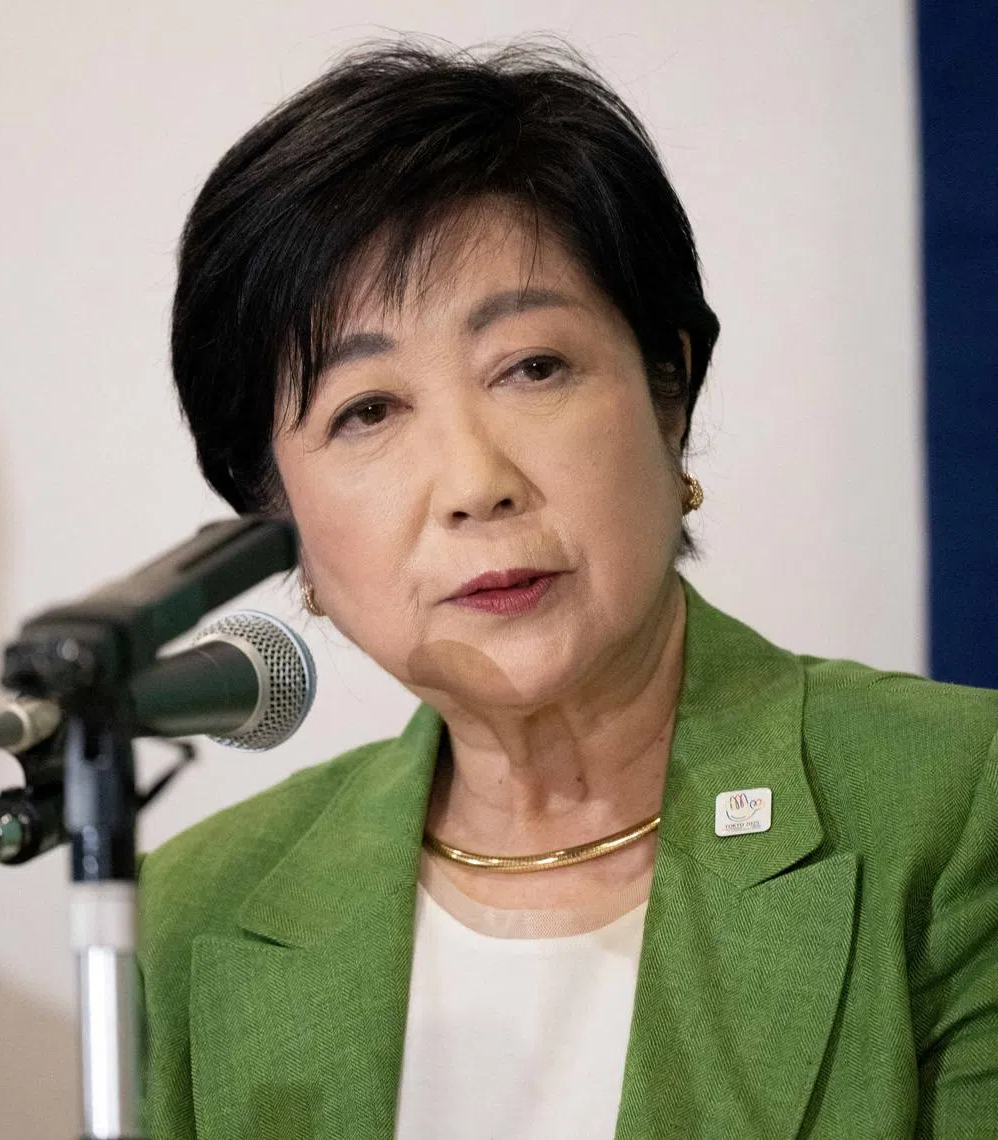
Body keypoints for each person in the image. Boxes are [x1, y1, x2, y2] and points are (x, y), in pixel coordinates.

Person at [137, 42, 998, 1140]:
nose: (475, 484)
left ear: (667, 391)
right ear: (279, 527)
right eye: (367, 411)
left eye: (531, 368)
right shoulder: (186, 914)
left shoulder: (962, 806)